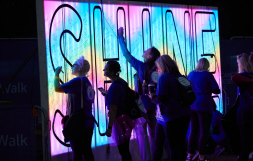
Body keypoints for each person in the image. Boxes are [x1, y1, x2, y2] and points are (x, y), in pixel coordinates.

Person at [118, 27, 166, 161]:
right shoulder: (159, 69)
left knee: (141, 133)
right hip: (155, 103)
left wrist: (120, 38)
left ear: (150, 56)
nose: (144, 51)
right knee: (153, 133)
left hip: (141, 102)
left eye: (146, 51)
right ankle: (158, 158)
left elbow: (127, 55)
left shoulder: (141, 67)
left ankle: (146, 159)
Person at [150, 55, 191, 161]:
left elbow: (162, 98)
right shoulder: (181, 76)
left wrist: (153, 96)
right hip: (185, 113)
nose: (157, 70)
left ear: (162, 66)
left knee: (172, 147)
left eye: (158, 67)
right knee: (181, 144)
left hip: (170, 116)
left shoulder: (164, 78)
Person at [54, 56, 95, 161]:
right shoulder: (87, 82)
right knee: (86, 151)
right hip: (88, 121)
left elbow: (57, 88)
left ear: (80, 67)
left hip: (78, 122)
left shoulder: (77, 81)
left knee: (77, 154)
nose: (72, 66)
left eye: (75, 64)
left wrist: (56, 74)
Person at [186, 58, 220, 161]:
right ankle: (201, 157)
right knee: (204, 132)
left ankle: (189, 156)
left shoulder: (190, 74)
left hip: (192, 105)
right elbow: (216, 90)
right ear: (207, 65)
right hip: (204, 106)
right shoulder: (207, 74)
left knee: (193, 131)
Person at [104, 60, 136, 161]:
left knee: (123, 151)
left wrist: (109, 128)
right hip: (127, 119)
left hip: (119, 121)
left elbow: (113, 109)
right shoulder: (122, 82)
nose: (103, 70)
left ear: (112, 72)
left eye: (106, 69)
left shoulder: (114, 86)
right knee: (125, 149)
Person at [231, 53, 253, 161]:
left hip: (245, 113)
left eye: (238, 63)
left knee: (245, 145)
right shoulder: (249, 75)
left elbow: (233, 77)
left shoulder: (244, 75)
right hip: (248, 111)